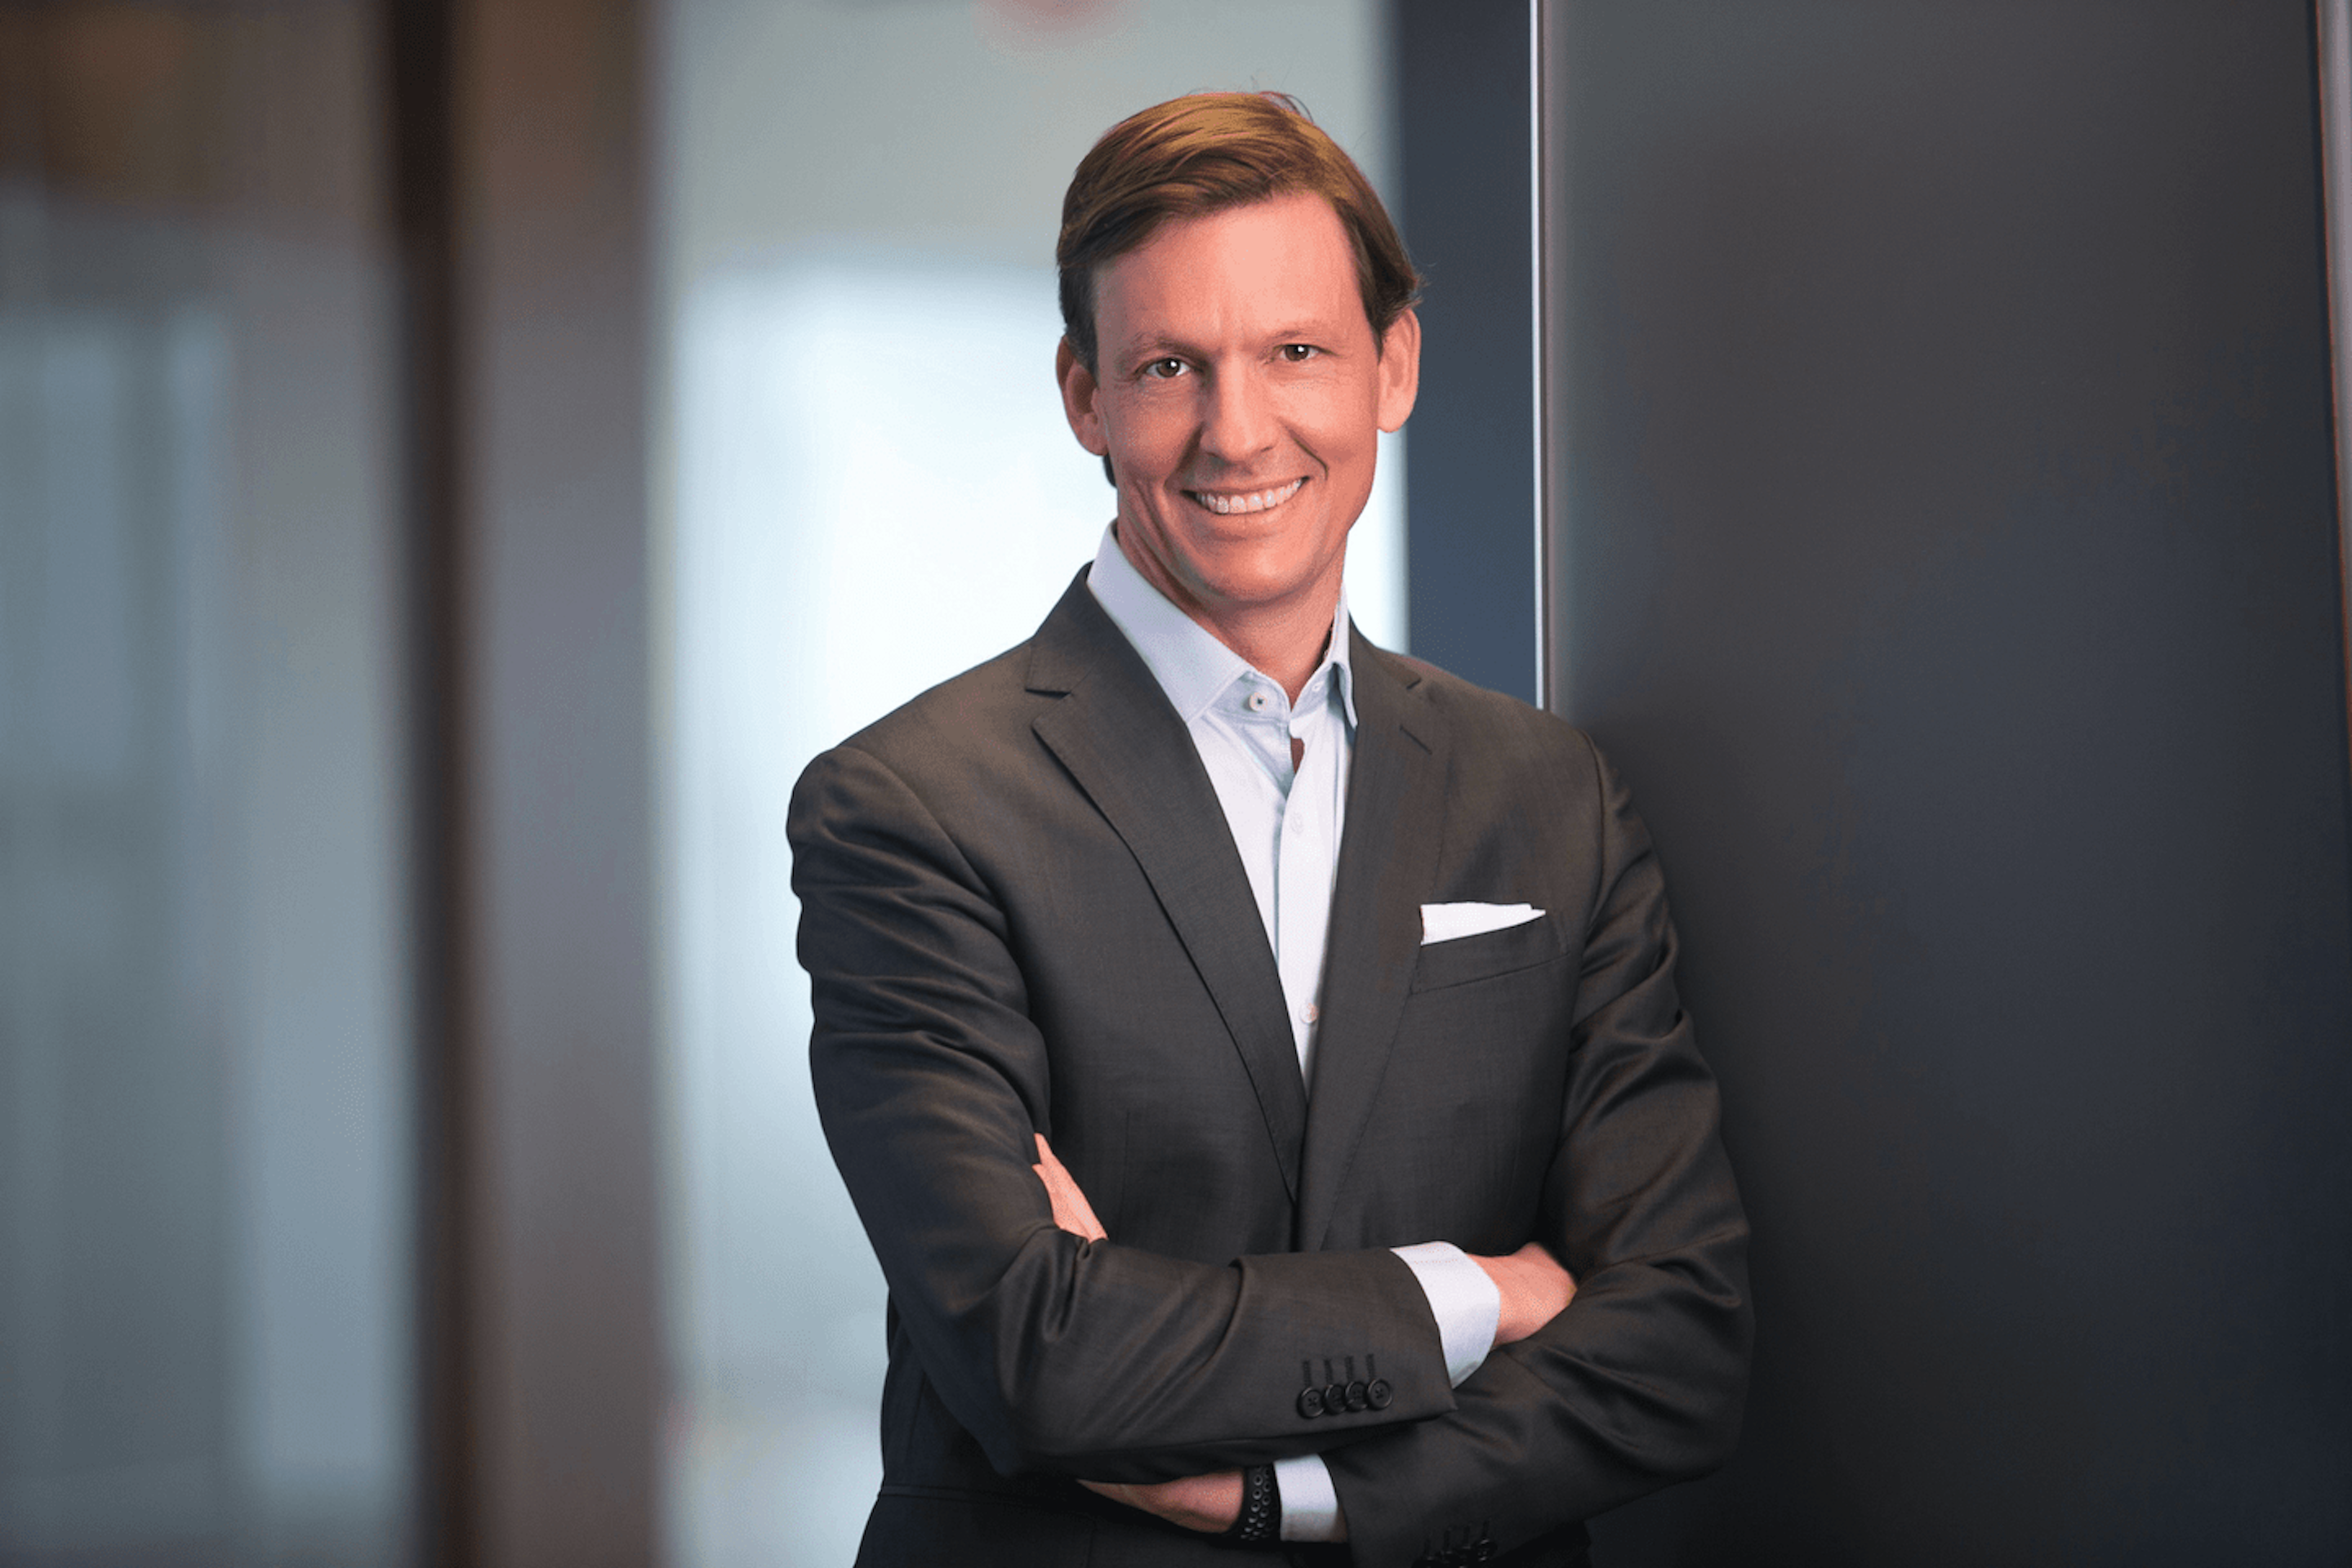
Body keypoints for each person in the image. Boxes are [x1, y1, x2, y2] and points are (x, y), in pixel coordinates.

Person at [789, 91, 1750, 1568]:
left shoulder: (1550, 795)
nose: (1239, 432)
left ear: (1394, 366)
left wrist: (1296, 1495)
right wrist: (1482, 1294)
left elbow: (1678, 1347)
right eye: (1173, 364)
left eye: (1296, 350)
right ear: (1085, 397)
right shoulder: (911, 810)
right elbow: (1038, 1355)